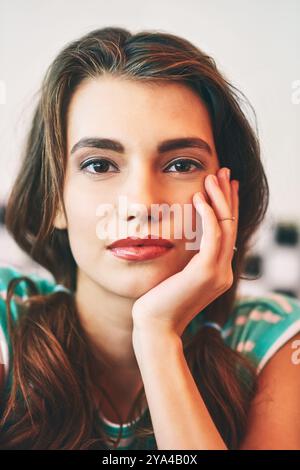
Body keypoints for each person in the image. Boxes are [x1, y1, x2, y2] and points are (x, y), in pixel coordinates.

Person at [0, 27, 300, 450]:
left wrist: (158, 337)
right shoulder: (5, 326)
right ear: (55, 201)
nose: (141, 204)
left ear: (226, 192)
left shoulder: (278, 341)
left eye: (180, 165)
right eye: (100, 165)